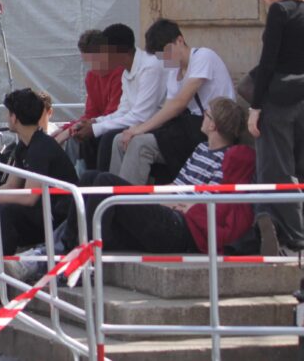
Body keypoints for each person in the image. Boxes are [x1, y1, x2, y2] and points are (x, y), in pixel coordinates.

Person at [64, 98, 255, 255]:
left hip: (181, 224)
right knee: (90, 177)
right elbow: (177, 185)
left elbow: (201, 205)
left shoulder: (226, 160)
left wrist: (156, 201)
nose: (202, 118)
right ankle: (68, 246)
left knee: (106, 182)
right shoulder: (202, 148)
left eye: (206, 115)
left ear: (213, 125)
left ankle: (88, 256)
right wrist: (146, 196)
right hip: (169, 207)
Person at [0, 89, 77, 299]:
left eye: (9, 113)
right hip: (41, 212)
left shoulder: (41, 147)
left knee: (4, 212)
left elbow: (30, 196)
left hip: (58, 221)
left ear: (15, 118)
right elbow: (11, 186)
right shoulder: (25, 146)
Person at [111, 19, 235, 184]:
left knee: (139, 143)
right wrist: (135, 129)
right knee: (120, 140)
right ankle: (111, 194)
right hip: (187, 126)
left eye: (166, 52)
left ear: (179, 40)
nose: (164, 59)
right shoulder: (173, 70)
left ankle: (127, 205)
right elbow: (169, 107)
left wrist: (139, 129)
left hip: (211, 127)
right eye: (160, 56)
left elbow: (179, 103)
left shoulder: (204, 56)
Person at [249, 0, 304, 254]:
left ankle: (294, 236)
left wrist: (254, 109)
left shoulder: (280, 13)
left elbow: (268, 62)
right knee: (299, 166)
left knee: (278, 170)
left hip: (279, 101)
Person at [70, 24, 167, 172]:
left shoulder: (150, 67)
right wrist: (94, 122)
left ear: (122, 53)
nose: (103, 57)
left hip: (159, 127)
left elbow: (141, 116)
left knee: (109, 138)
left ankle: (108, 187)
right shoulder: (126, 72)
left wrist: (95, 128)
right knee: (90, 138)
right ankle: (92, 183)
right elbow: (124, 111)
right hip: (140, 123)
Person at [55, 30, 124, 159]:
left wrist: (70, 130)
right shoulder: (92, 77)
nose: (93, 66)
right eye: (89, 62)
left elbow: (112, 114)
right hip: (101, 124)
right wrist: (66, 128)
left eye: (95, 61)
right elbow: (91, 113)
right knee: (74, 138)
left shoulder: (120, 73)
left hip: (116, 125)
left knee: (78, 139)